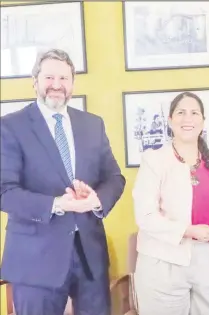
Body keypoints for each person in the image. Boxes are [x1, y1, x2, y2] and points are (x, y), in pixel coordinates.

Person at [0, 49, 126, 315]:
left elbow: (114, 178)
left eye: (64, 78)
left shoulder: (93, 124)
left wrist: (96, 200)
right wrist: (58, 204)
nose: (56, 85)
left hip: (89, 256)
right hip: (35, 258)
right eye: (49, 77)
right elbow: (5, 192)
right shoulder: (11, 126)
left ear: (72, 83)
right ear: (34, 81)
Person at [132, 92, 209, 315]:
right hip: (162, 261)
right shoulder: (153, 160)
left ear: (203, 121)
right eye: (180, 112)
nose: (187, 118)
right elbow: (145, 216)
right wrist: (188, 231)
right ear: (170, 120)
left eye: (194, 113)